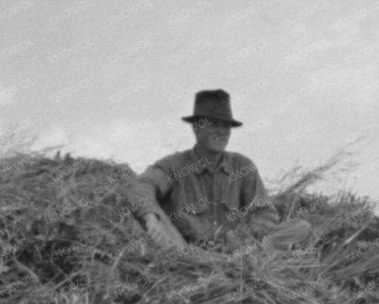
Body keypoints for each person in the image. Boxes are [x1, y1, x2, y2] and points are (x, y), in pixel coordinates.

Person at [126, 90, 312, 250]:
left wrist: (246, 235)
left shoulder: (242, 166)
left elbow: (264, 213)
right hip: (187, 251)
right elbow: (141, 185)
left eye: (226, 126)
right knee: (162, 225)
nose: (222, 131)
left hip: (238, 251)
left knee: (300, 227)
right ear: (196, 128)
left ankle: (246, 260)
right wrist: (151, 218)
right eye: (214, 124)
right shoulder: (174, 165)